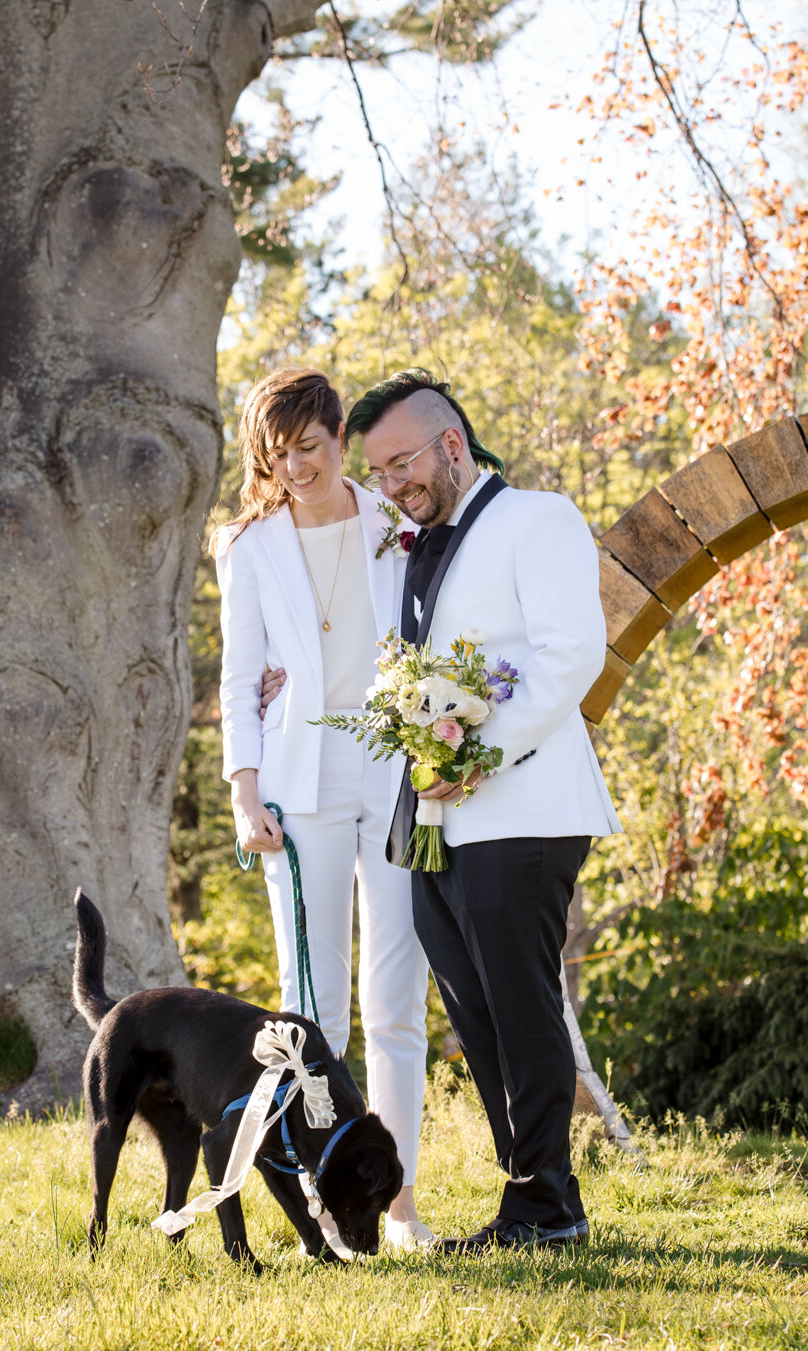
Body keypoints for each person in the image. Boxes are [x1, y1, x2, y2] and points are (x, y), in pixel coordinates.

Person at [348, 368, 622, 1253]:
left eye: (400, 465)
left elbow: (571, 655)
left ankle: (547, 1208)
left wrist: (475, 753)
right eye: (380, 474)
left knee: (521, 1005)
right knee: (477, 1014)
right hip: (436, 822)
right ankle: (534, 1198)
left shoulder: (538, 519)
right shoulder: (414, 542)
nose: (391, 487)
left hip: (525, 809)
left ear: (452, 444)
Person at [215, 367, 437, 1250]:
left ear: (340, 437)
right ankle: (323, 1199)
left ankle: (402, 1198)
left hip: (393, 780)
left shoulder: (397, 524)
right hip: (295, 790)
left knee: (395, 1004)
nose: (295, 467)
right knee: (313, 1015)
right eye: (277, 454)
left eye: (309, 448)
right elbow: (239, 677)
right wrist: (242, 790)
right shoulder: (251, 547)